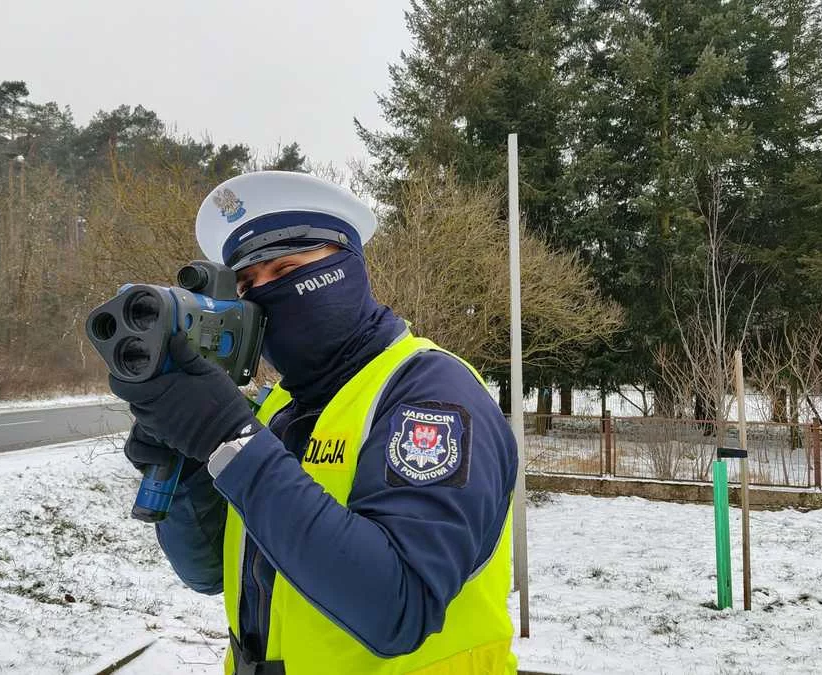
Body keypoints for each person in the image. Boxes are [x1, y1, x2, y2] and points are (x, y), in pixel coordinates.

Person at [109, 171, 518, 675]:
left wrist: (230, 439)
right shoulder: (279, 407)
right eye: (247, 284)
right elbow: (210, 571)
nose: (264, 292)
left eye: (285, 268)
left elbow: (398, 607)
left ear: (347, 268)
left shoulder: (431, 395)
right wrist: (191, 473)